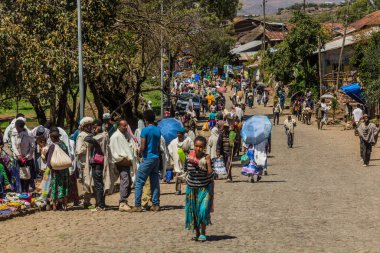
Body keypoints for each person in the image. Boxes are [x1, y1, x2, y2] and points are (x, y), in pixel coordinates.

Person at [131, 110, 161, 212]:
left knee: (139, 181)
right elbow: (158, 146)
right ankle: (155, 204)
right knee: (154, 182)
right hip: (156, 158)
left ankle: (137, 205)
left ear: (145, 120)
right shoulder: (158, 130)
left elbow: (143, 146)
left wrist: (139, 152)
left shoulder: (145, 130)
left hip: (147, 158)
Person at [185, 136, 214, 242]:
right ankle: (197, 232)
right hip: (192, 189)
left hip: (204, 189)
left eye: (201, 147)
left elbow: (211, 176)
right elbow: (185, 171)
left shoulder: (207, 158)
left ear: (204, 147)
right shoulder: (188, 158)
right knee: (194, 212)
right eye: (196, 146)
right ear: (194, 146)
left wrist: (208, 163)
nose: (198, 148)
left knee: (203, 210)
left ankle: (203, 232)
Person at [84, 120, 113, 211]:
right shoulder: (99, 135)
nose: (94, 128)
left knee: (99, 184)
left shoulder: (102, 136)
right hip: (96, 163)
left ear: (100, 126)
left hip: (98, 163)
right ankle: (101, 203)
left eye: (96, 126)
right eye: (93, 126)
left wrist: (93, 132)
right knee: (99, 184)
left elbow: (87, 139)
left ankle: (100, 205)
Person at [110, 120, 134, 211]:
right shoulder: (115, 136)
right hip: (120, 162)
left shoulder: (125, 135)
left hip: (127, 162)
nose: (125, 127)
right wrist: (121, 158)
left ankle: (124, 200)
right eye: (124, 126)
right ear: (119, 126)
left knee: (129, 182)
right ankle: (122, 202)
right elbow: (113, 150)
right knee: (125, 181)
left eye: (126, 125)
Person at [45, 131, 71, 211]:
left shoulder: (53, 146)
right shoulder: (63, 145)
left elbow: (48, 159)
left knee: (55, 186)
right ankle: (65, 205)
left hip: (56, 170)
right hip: (65, 169)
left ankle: (54, 206)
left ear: (52, 138)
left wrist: (47, 170)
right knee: (64, 186)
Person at [11, 119, 36, 192]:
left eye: (18, 127)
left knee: (27, 176)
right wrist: (18, 155)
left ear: (22, 127)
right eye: (16, 127)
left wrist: (27, 156)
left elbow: (32, 147)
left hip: (27, 159)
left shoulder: (29, 134)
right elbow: (13, 145)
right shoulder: (14, 133)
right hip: (18, 158)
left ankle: (26, 191)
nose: (17, 129)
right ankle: (19, 191)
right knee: (18, 176)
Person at [75, 117, 94, 208]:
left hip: (92, 161)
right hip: (84, 162)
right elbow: (78, 150)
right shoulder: (81, 136)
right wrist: (87, 147)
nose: (90, 127)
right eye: (88, 125)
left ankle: (88, 200)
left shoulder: (91, 134)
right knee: (87, 181)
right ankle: (86, 200)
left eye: (91, 125)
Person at [168, 128, 193, 195]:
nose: (179, 136)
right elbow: (169, 149)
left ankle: (189, 190)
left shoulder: (188, 140)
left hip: (186, 162)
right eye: (178, 134)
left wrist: (187, 151)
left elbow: (193, 149)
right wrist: (173, 155)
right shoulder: (173, 142)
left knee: (188, 176)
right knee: (178, 176)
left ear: (183, 134)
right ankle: (178, 190)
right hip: (177, 162)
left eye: (180, 134)